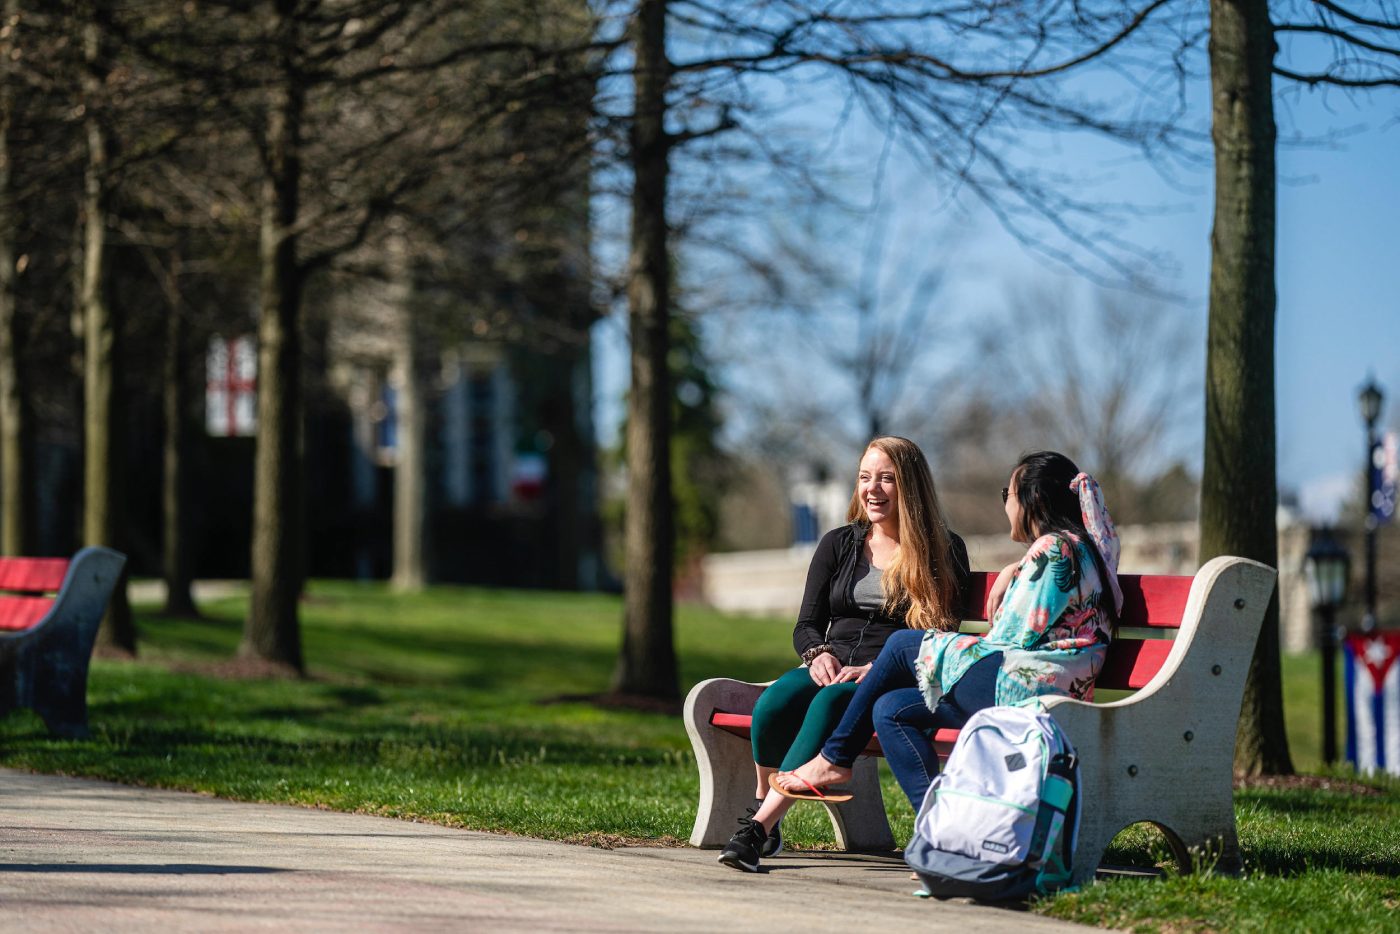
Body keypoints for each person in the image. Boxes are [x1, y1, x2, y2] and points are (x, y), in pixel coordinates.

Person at [770, 450, 1122, 814]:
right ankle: (938, 829)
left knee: (904, 644)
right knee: (890, 708)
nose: (1006, 506)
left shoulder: (1051, 550)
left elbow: (1009, 639)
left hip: (1027, 688)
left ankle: (834, 757)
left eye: (1008, 496)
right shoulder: (1092, 547)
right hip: (1050, 684)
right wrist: (1015, 569)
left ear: (1032, 501)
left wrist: (943, 650)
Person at [716, 436, 969, 872]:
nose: (873, 488)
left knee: (831, 705)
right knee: (774, 703)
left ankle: (755, 831)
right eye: (865, 477)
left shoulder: (943, 551)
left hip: (889, 674)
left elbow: (940, 636)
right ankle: (767, 816)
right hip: (830, 664)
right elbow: (806, 624)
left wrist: (876, 668)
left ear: (911, 486)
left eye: (887, 479)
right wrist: (817, 654)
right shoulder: (839, 543)